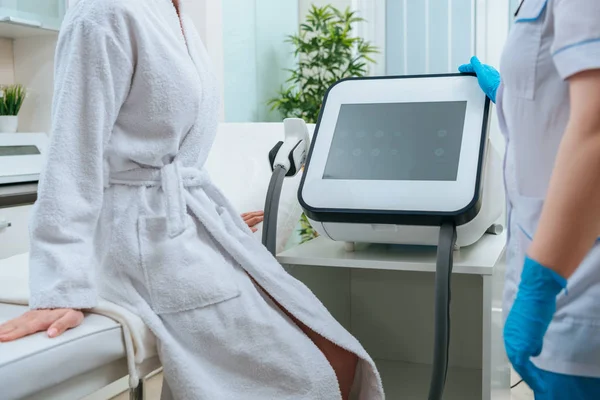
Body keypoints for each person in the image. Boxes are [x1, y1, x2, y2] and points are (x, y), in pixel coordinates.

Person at [0, 0, 384, 399]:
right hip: (139, 241)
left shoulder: (174, 12)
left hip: (180, 222)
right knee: (317, 367)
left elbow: (176, 151)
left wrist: (211, 219)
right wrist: (60, 290)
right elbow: (71, 159)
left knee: (339, 352)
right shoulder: (105, 11)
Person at [459, 0, 600, 398]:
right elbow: (555, 97)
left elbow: (596, 129)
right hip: (562, 283)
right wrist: (504, 91)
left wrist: (540, 290)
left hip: (580, 292)